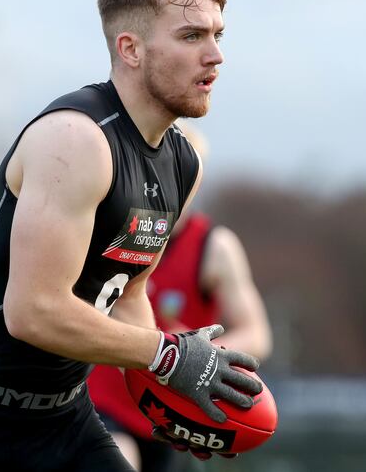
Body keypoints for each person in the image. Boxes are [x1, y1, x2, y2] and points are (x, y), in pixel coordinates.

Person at [0, 0, 263, 472]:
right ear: (130, 49)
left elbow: (130, 290)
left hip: (65, 424)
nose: (216, 55)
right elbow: (33, 311)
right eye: (191, 36)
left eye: (217, 35)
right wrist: (167, 355)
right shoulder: (75, 139)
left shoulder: (183, 161)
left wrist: (169, 400)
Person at [88, 126, 273, 471]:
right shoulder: (107, 230)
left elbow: (257, 335)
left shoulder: (214, 247)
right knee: (117, 459)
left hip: (174, 410)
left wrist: (193, 359)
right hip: (105, 403)